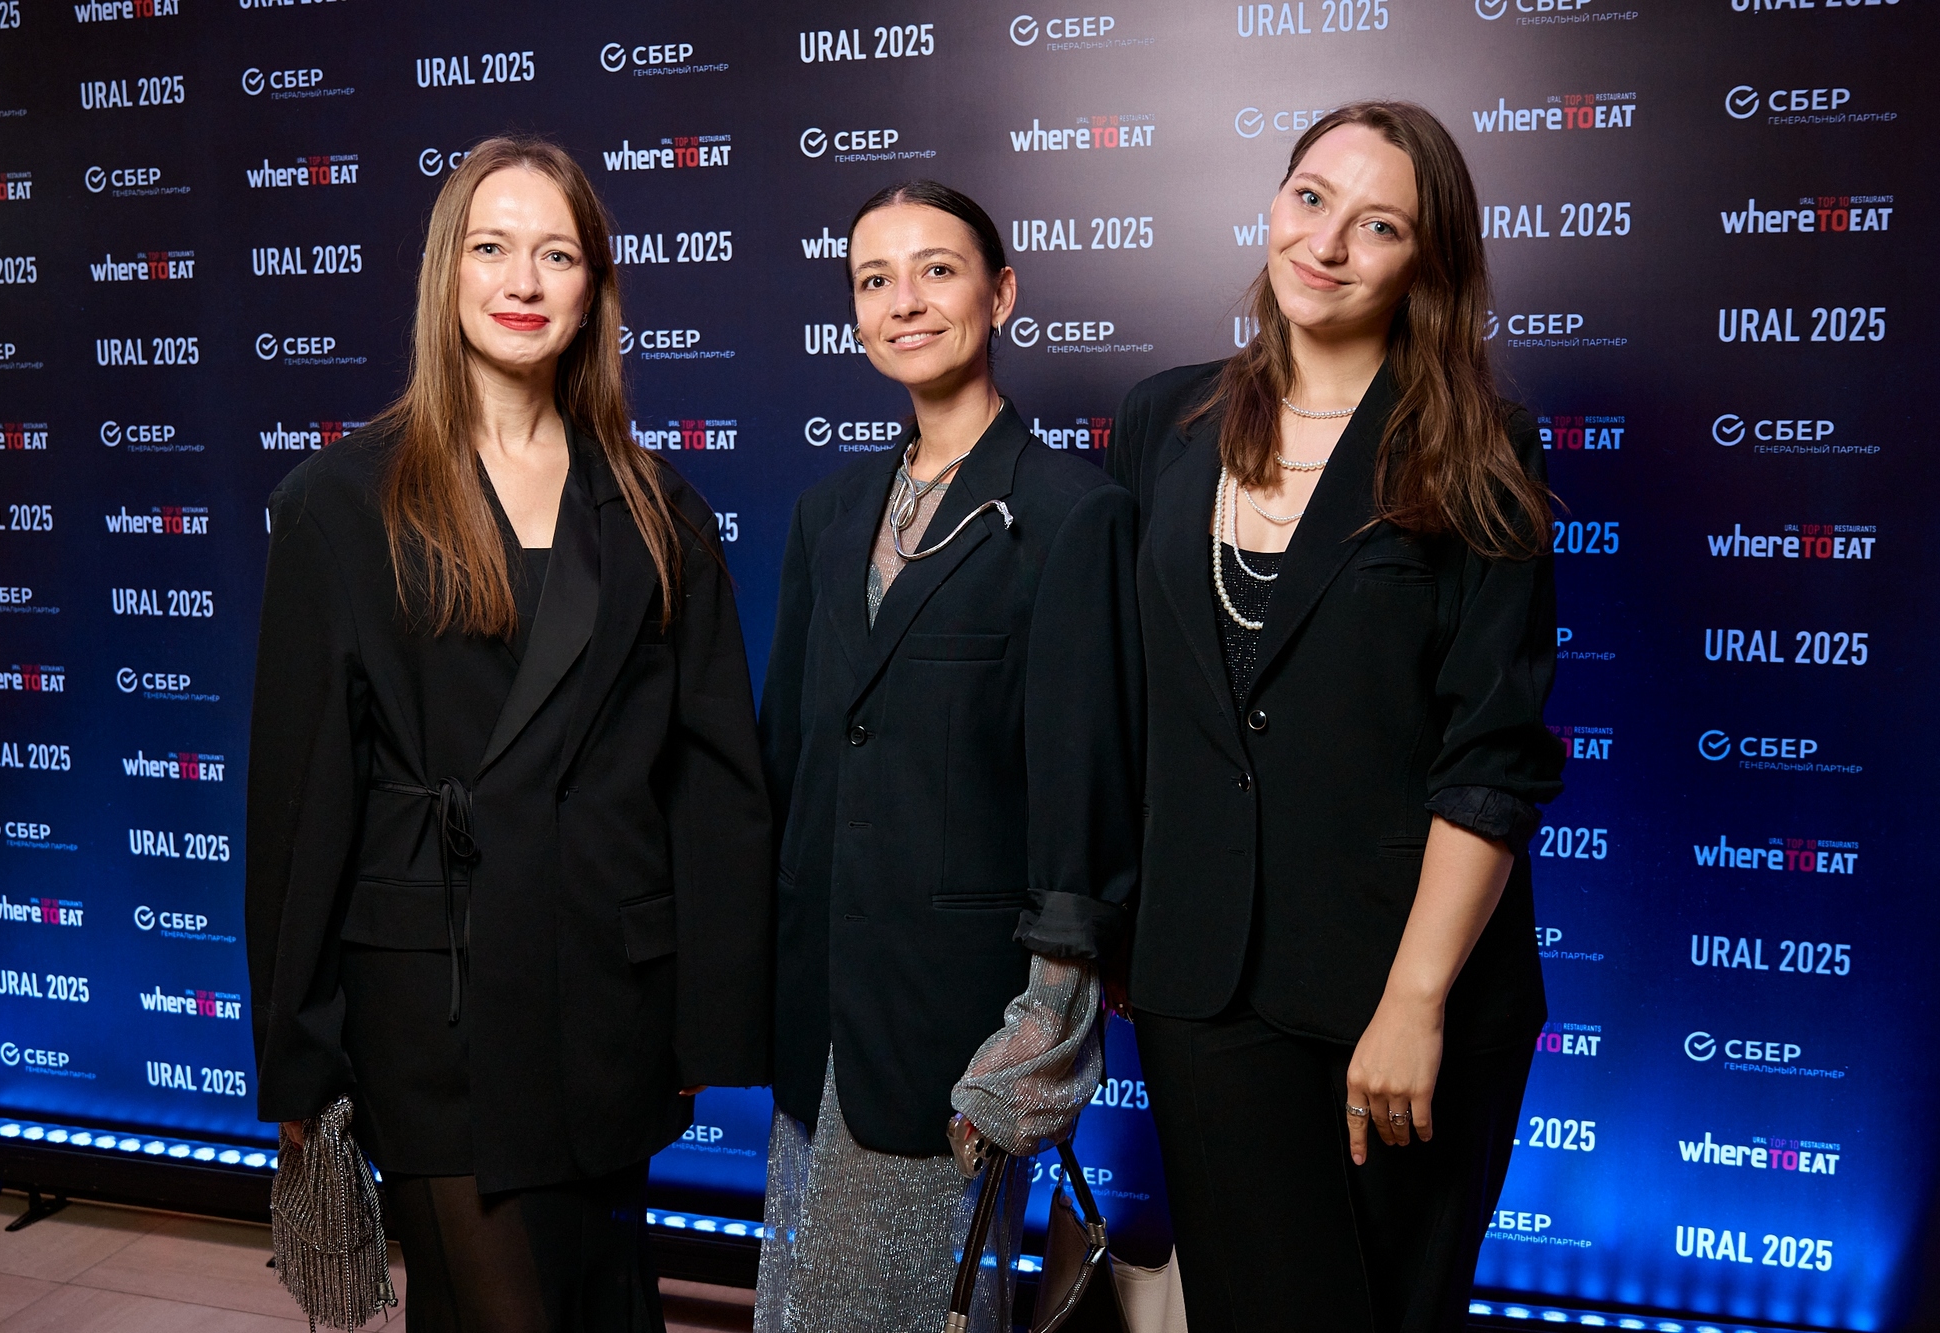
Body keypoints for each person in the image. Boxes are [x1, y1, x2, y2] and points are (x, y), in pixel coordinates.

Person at [244, 136, 771, 1333]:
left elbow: (713, 784)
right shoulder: (340, 503)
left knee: (605, 1306)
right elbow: (300, 800)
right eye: (491, 247)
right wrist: (299, 1054)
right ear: (448, 271)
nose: (522, 281)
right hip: (430, 998)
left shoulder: (660, 509)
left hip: (608, 994)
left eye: (556, 254)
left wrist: (706, 1014)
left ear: (594, 289)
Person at [1107, 102, 1564, 1332]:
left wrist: (1414, 1003)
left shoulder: (1479, 445)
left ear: (1426, 261)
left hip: (1403, 989)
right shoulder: (1161, 422)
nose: (1324, 244)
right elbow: (1120, 702)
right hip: (1204, 986)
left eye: (1378, 226)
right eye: (1309, 198)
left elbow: (1492, 755)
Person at [753, 180, 1143, 1333]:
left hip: (956, 1022)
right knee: (803, 1308)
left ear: (1001, 293)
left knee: (910, 1311)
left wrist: (1040, 1027)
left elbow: (1083, 785)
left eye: (936, 270)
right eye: (874, 280)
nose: (904, 302)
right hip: (819, 1007)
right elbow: (791, 760)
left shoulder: (1071, 513)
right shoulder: (827, 513)